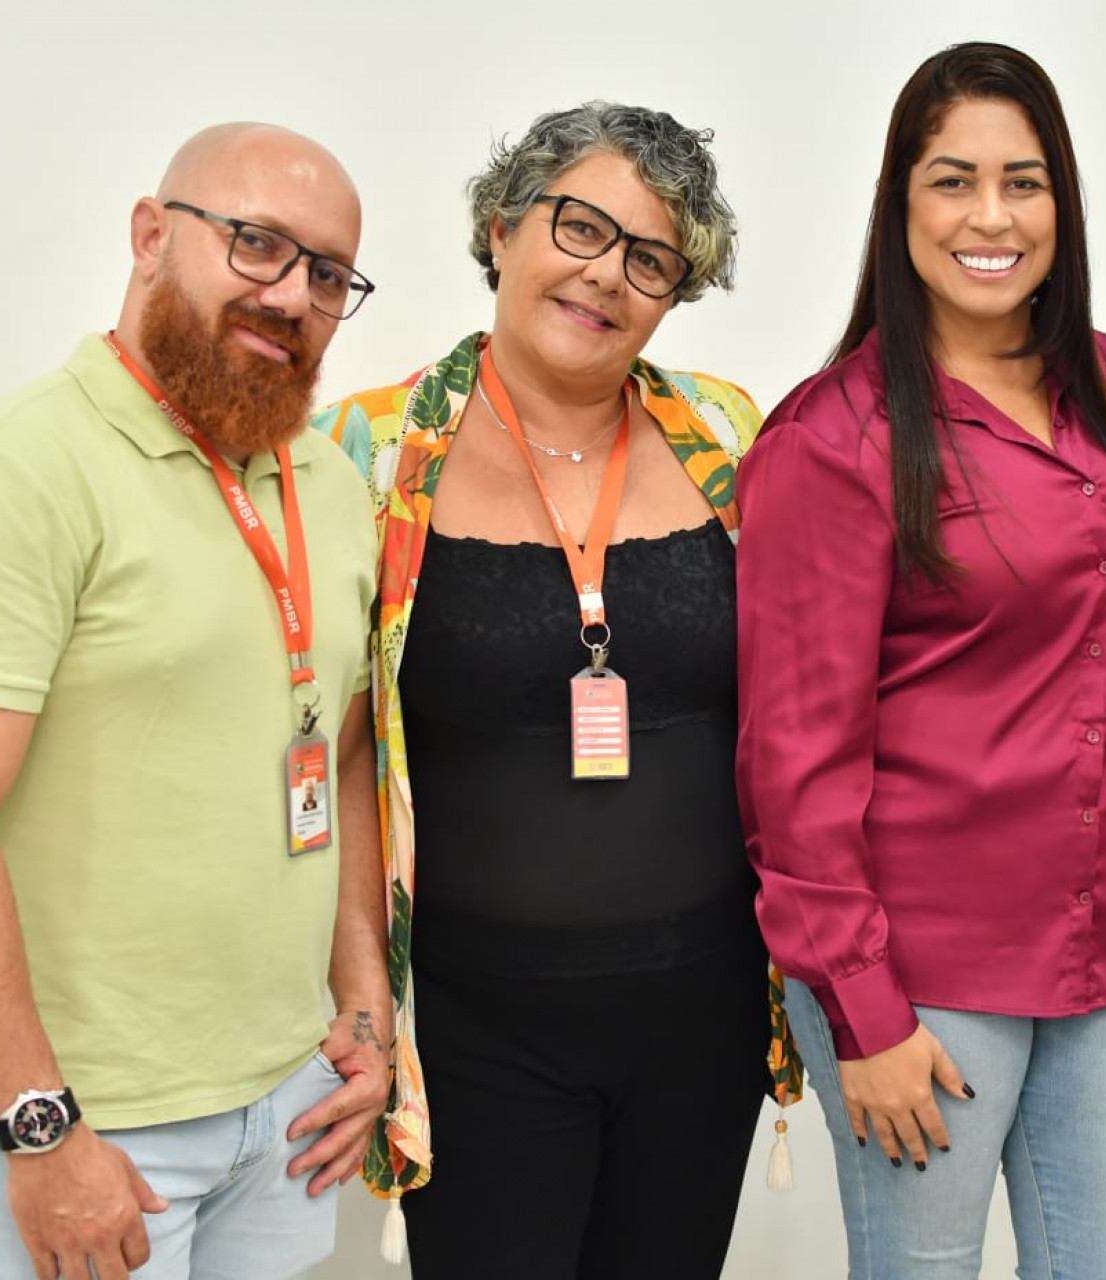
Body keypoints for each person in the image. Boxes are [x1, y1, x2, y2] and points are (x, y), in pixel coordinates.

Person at [0, 123, 391, 1280]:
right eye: (256, 243)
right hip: (100, 1119)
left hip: (291, 1092)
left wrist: (361, 998)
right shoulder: (17, 470)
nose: (291, 294)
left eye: (327, 273)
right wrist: (40, 1124)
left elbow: (342, 749)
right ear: (151, 234)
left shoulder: (330, 480)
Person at [313, 101, 796, 1279]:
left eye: (651, 258)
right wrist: (364, 996)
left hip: (706, 1018)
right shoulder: (366, 455)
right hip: (479, 1029)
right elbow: (339, 756)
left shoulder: (729, 434)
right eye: (580, 227)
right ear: (502, 224)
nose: (606, 276)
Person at [736, 43, 1106, 1280]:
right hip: (923, 975)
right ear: (901, 204)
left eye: (1024, 182)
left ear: (1063, 203)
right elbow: (792, 759)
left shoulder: (1103, 377)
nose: (992, 217)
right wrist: (862, 1009)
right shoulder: (833, 440)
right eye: (953, 181)